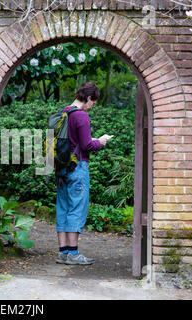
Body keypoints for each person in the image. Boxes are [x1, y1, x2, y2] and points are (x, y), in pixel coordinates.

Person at [55, 81, 112, 265]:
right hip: (77, 167)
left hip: (62, 167)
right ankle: (73, 254)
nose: (92, 106)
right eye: (93, 102)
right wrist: (101, 141)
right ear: (88, 98)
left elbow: (72, 140)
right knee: (76, 209)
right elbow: (87, 145)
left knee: (63, 207)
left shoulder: (64, 112)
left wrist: (90, 140)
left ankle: (63, 253)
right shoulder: (82, 116)